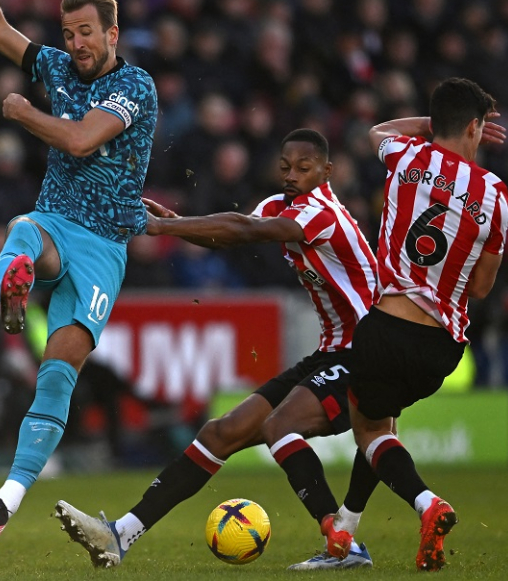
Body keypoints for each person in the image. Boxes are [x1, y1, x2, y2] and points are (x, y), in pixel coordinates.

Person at [53, 128, 377, 569]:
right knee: (219, 433)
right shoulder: (279, 207)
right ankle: (120, 535)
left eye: (304, 168)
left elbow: (242, 229)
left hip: (366, 351)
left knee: (283, 427)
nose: (292, 175)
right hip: (330, 351)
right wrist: (177, 222)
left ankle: (342, 542)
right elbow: (229, 232)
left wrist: (162, 226)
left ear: (327, 171)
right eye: (285, 167)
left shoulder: (321, 213)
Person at [0, 0, 159, 543]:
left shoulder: (134, 85)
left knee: (59, 370)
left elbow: (83, 138)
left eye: (86, 31)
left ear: (112, 33)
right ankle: (16, 278)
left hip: (106, 247)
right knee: (25, 228)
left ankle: (4, 502)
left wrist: (22, 111)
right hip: (59, 222)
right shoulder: (58, 67)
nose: (76, 42)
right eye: (68, 33)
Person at [268, 78, 508, 572]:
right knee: (382, 424)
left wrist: (430, 125)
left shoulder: (405, 155)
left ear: (434, 124)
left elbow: (376, 130)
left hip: (386, 326)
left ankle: (426, 503)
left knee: (372, 434)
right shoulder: (496, 195)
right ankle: (347, 534)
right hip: (444, 345)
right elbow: (482, 288)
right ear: (475, 128)